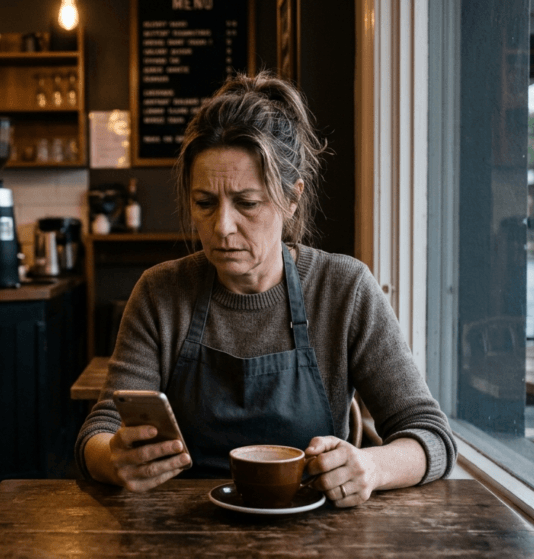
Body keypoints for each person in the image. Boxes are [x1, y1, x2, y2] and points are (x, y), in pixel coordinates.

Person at [75, 72, 456, 508]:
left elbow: (431, 435)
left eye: (247, 203)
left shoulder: (343, 289)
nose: (222, 226)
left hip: (313, 535)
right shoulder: (161, 293)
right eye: (204, 203)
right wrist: (113, 458)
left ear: (292, 198)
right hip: (185, 529)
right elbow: (97, 432)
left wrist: (371, 467)